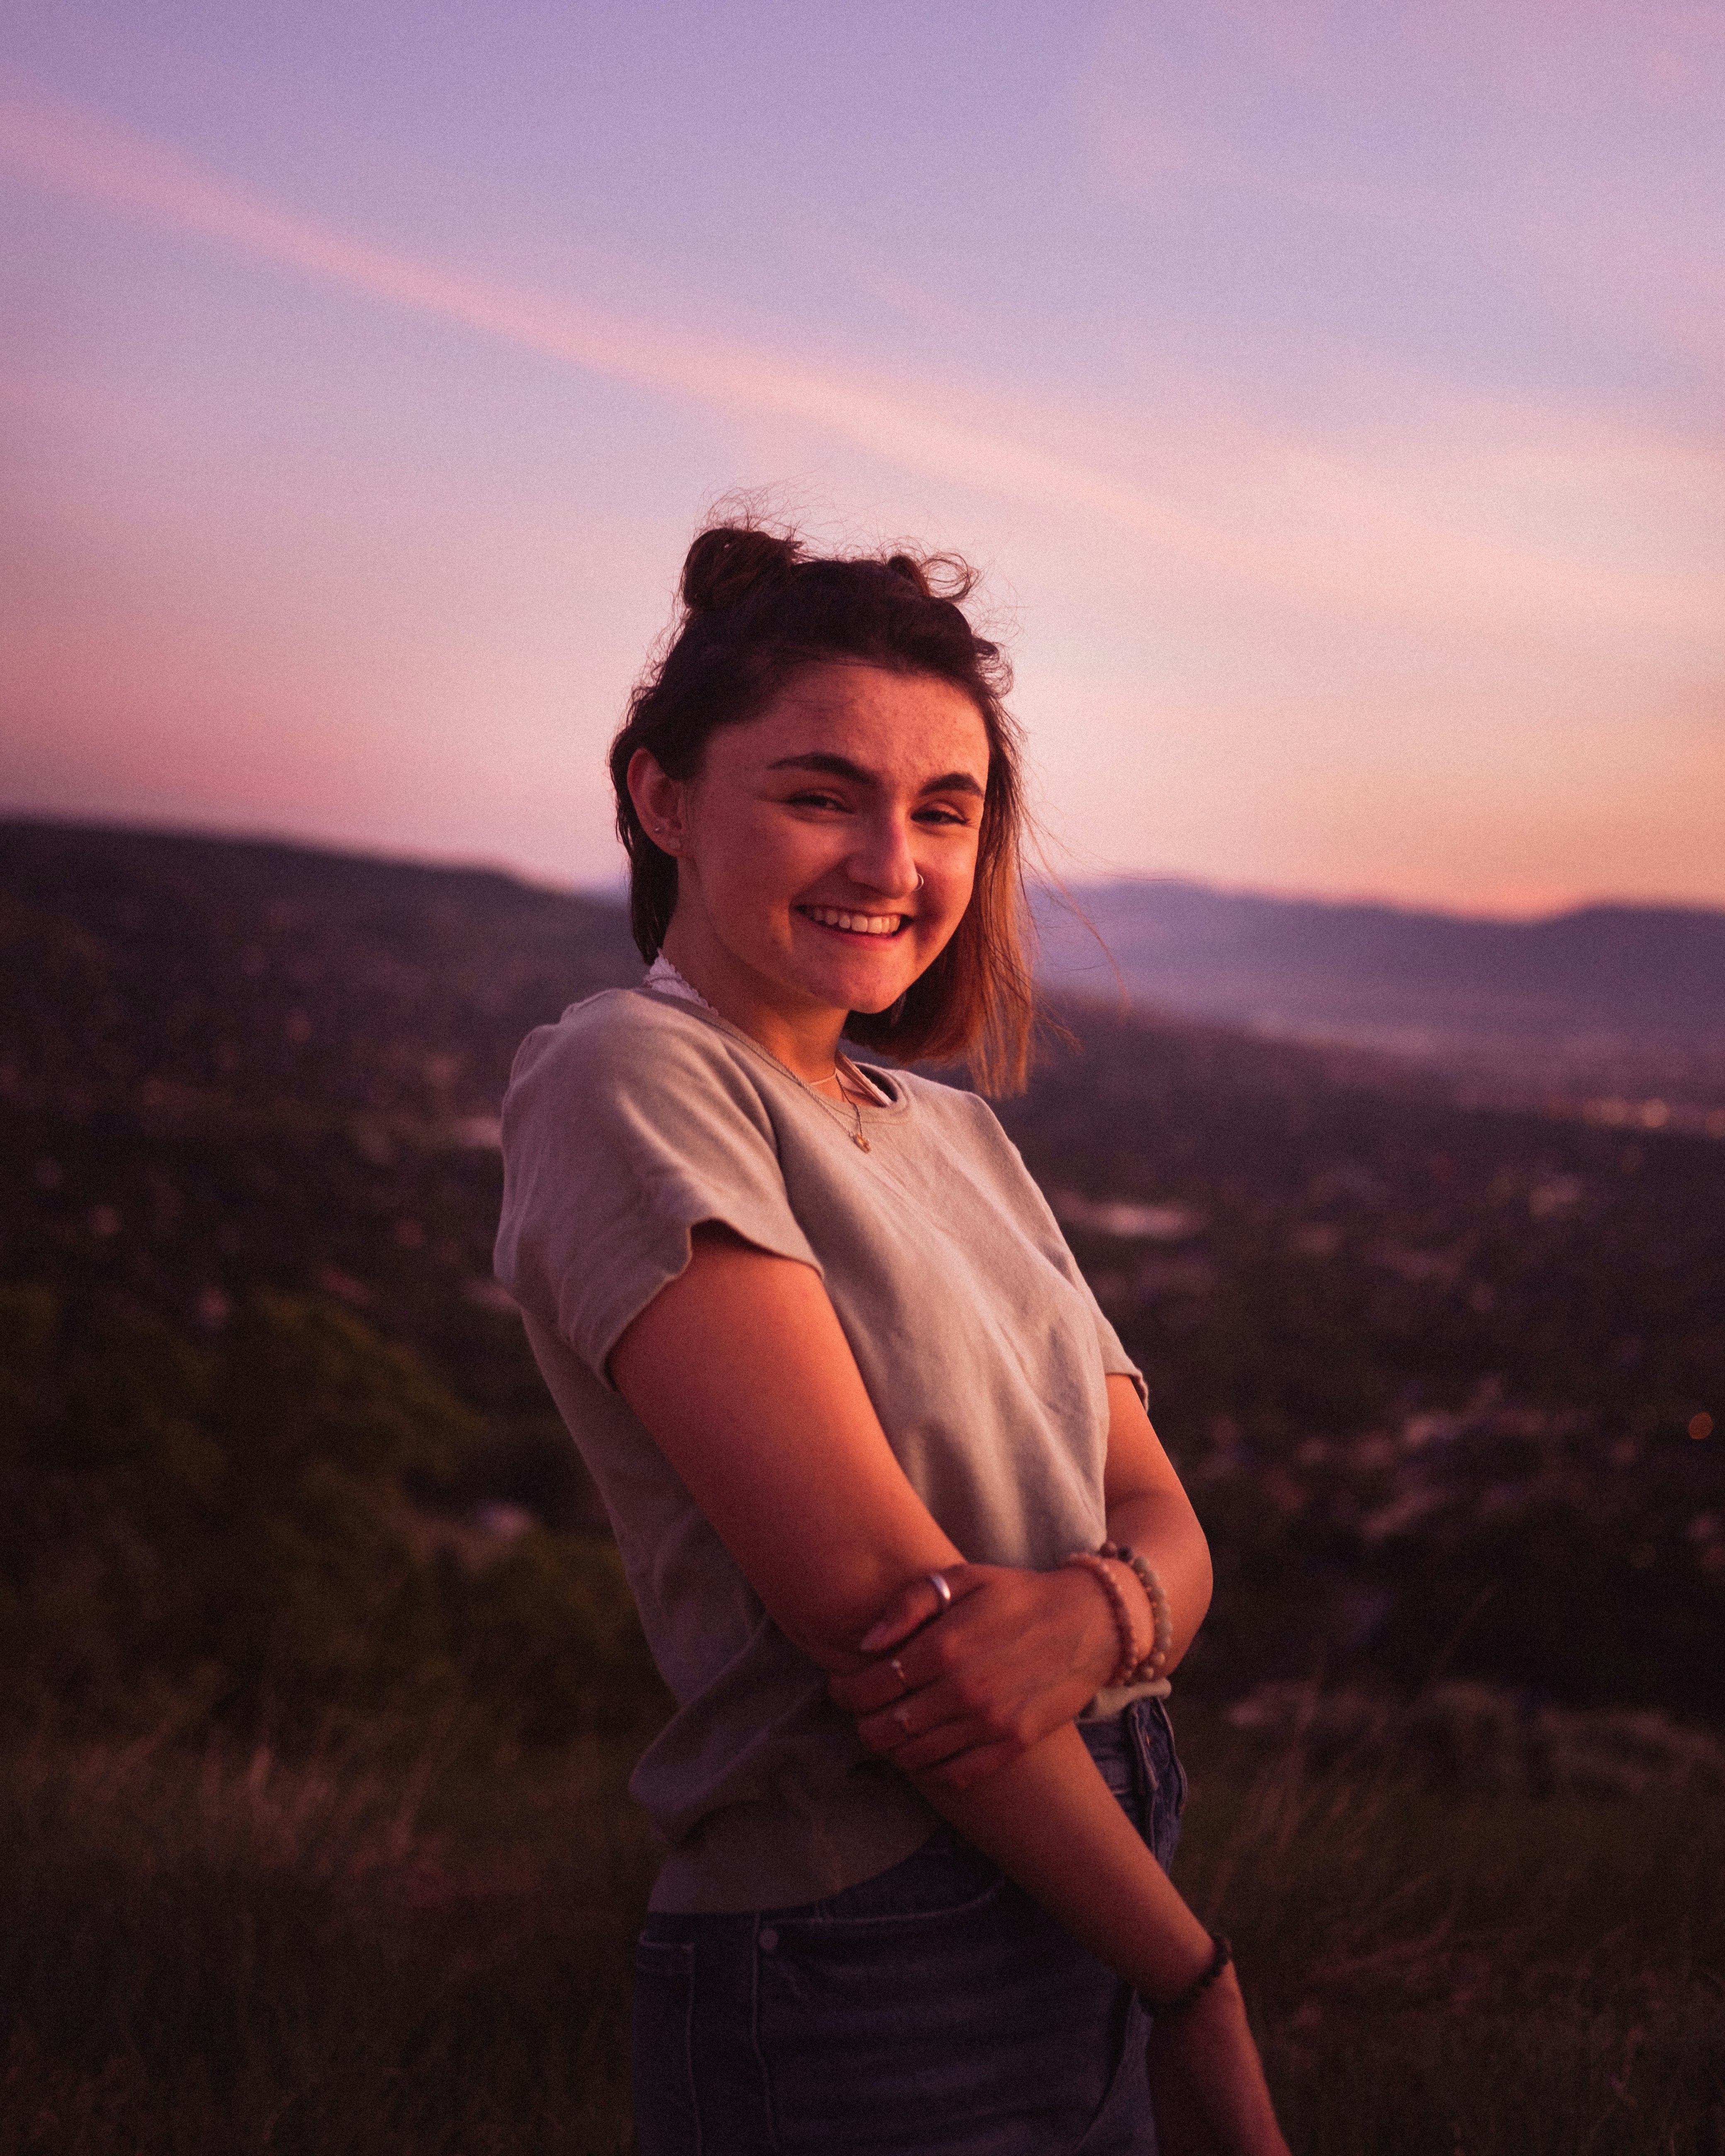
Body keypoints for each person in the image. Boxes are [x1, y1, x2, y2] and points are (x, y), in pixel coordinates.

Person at [495, 522, 1289, 2155]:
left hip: (1079, 1901)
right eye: (817, 794)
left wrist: (1092, 1613)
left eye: (943, 809)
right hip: (866, 1951)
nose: (888, 862)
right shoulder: (630, 1075)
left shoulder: (953, 1133)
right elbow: (888, 1629)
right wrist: (1191, 1980)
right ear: (659, 797)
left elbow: (1169, 1530)